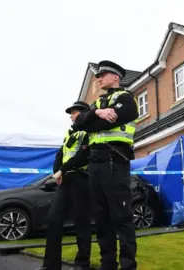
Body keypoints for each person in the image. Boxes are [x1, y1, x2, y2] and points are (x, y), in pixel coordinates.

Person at [73, 60, 139, 270]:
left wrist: (92, 121)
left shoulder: (126, 98)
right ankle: (107, 265)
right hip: (95, 163)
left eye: (103, 75)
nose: (99, 78)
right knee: (101, 218)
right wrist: (97, 113)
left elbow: (97, 125)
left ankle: (128, 266)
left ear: (116, 77)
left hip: (115, 160)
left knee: (121, 217)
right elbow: (78, 123)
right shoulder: (98, 104)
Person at [37, 101, 93, 270]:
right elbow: (60, 154)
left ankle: (82, 263)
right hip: (66, 180)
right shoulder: (70, 133)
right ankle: (51, 265)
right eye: (71, 113)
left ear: (84, 113)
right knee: (54, 219)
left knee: (81, 222)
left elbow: (82, 157)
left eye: (74, 113)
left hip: (81, 179)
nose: (71, 116)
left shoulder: (89, 132)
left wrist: (61, 170)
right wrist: (58, 172)